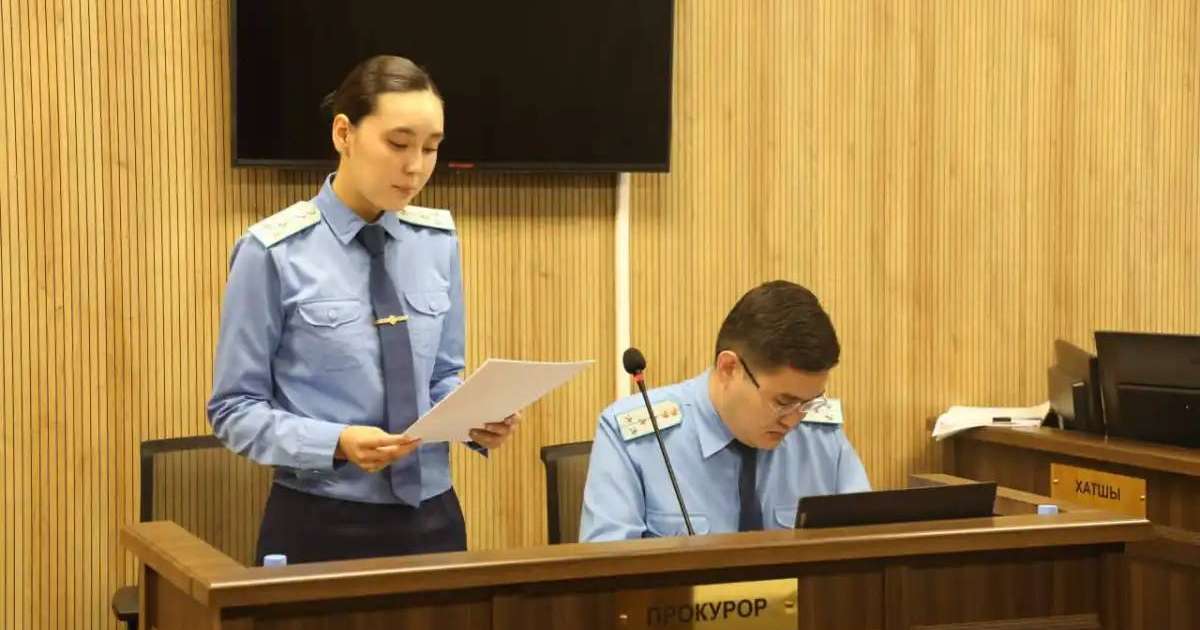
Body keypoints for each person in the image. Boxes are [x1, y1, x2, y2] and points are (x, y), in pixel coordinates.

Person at [208, 55, 517, 564]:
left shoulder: (435, 241)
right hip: (321, 521)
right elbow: (234, 411)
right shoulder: (273, 252)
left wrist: (476, 418)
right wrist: (335, 441)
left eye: (431, 148)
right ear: (343, 133)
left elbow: (441, 378)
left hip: (434, 518)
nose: (415, 166)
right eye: (397, 144)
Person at [579, 280, 869, 541]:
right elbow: (606, 578)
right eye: (783, 402)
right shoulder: (636, 437)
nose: (794, 420)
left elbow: (865, 552)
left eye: (809, 402)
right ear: (729, 368)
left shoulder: (821, 437)